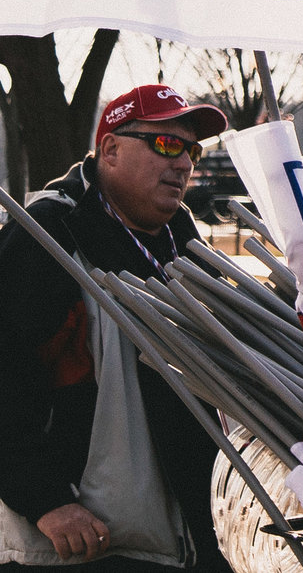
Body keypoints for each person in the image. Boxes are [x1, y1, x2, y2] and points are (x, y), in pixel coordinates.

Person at [0, 85, 235, 573]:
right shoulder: (45, 235)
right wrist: (44, 500)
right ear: (110, 148)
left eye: (192, 150)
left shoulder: (184, 241)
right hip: (78, 542)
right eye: (166, 145)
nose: (184, 164)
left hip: (186, 535)